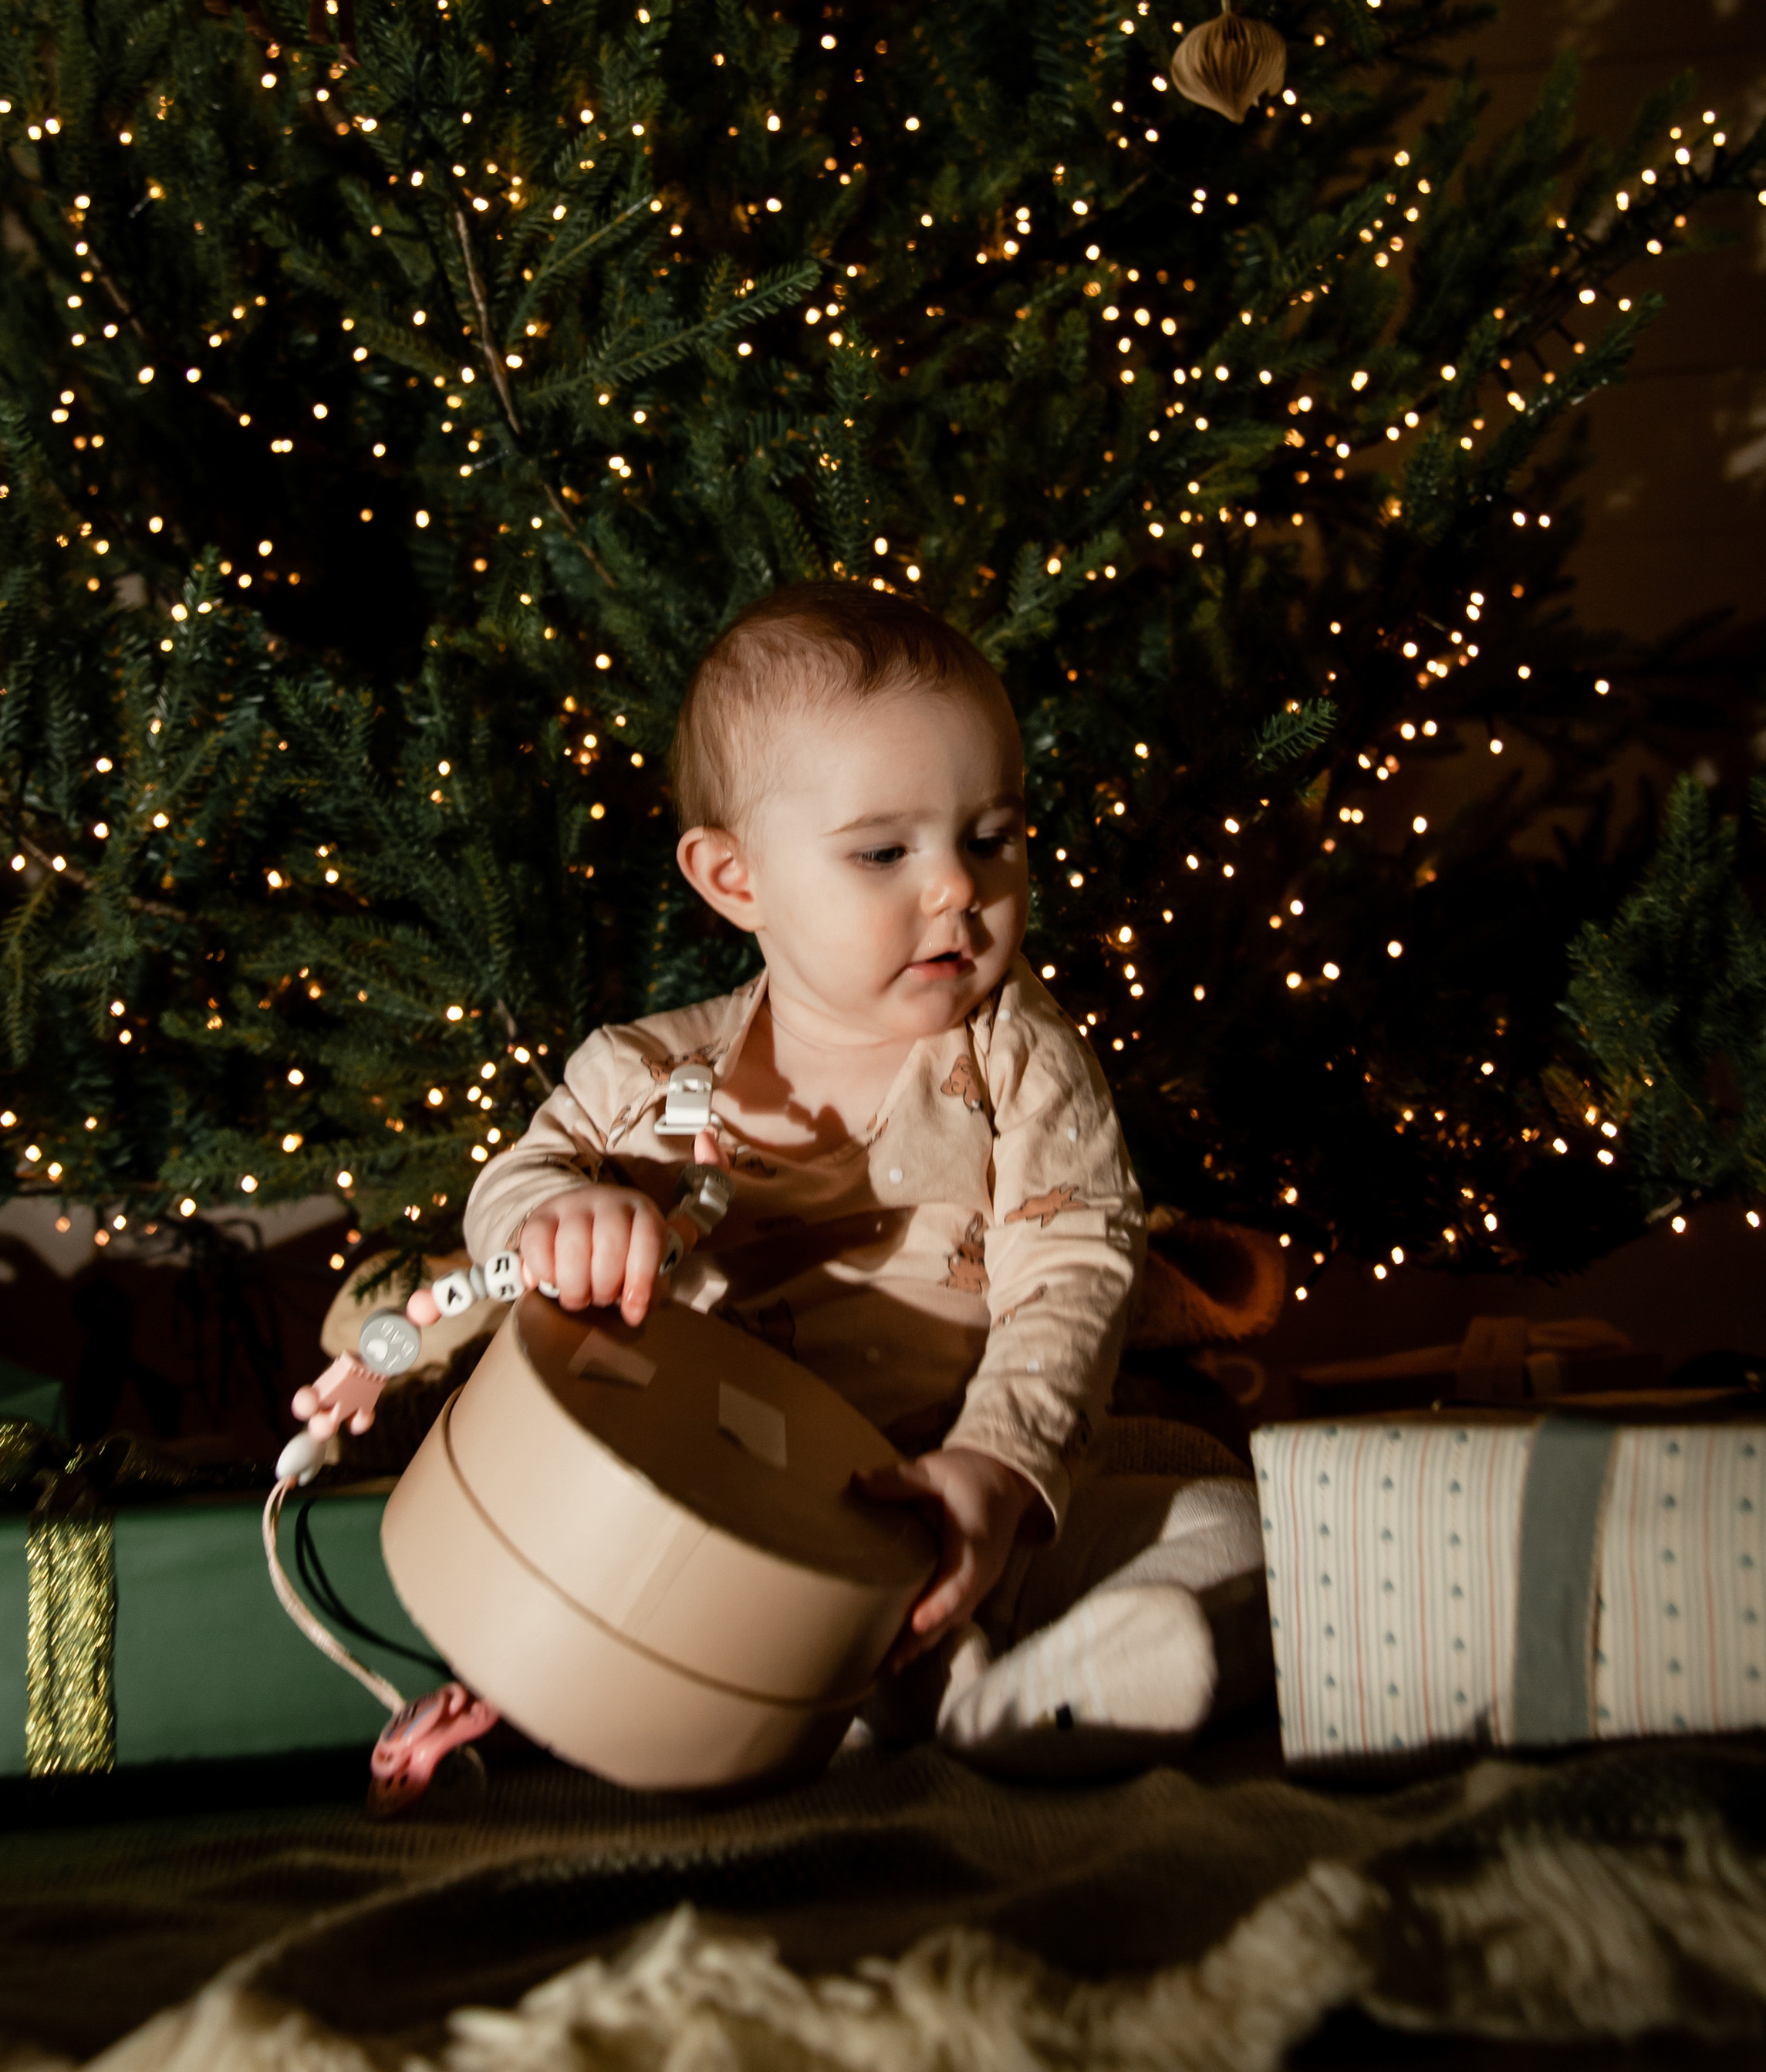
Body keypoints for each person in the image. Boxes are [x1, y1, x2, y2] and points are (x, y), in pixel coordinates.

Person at [451, 583, 1268, 1769]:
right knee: (600, 1604)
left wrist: (996, 1466)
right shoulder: (643, 1077)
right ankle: (943, 1700)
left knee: (1241, 1535)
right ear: (735, 880)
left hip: (968, 1501)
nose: (957, 889)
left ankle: (1055, 1683)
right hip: (739, 1536)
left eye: (992, 838)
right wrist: (556, 1210)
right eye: (884, 851)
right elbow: (512, 1190)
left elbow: (1076, 1266)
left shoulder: (1018, 1056)